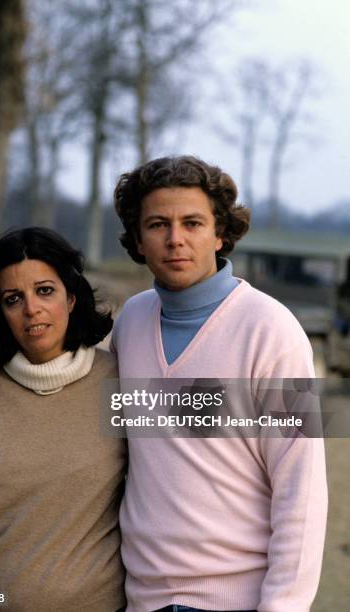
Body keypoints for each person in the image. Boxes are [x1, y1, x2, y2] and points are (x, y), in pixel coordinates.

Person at [111, 156, 328, 612]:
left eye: (192, 222)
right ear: (137, 238)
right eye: (157, 224)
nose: (175, 239)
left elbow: (301, 488)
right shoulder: (129, 322)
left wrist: (283, 606)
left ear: (221, 232)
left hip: (237, 600)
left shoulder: (271, 329)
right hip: (141, 600)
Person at [0, 227, 126, 612]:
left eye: (45, 291)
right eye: (13, 299)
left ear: (71, 298)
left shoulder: (117, 380)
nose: (31, 309)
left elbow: (233, 416)